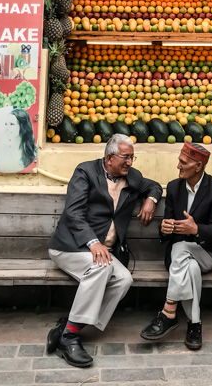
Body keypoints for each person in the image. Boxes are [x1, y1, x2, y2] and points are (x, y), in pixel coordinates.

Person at [46, 134, 162, 368]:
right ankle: (69, 339)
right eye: (125, 157)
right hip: (71, 247)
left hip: (104, 253)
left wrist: (151, 199)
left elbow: (154, 186)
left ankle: (69, 327)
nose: (130, 162)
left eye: (132, 157)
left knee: (124, 279)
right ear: (109, 158)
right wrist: (93, 242)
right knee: (102, 267)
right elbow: (74, 213)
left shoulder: (132, 177)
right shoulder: (85, 172)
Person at [140, 142, 212, 350]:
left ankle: (168, 311)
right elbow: (167, 225)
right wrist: (165, 228)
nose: (178, 166)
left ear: (198, 166)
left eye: (183, 162)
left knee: (181, 249)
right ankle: (194, 325)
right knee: (191, 267)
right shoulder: (173, 187)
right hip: (180, 256)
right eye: (179, 161)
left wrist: (195, 229)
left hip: (207, 252)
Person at [0, 106, 37, 173]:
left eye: (11, 124)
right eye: (6, 124)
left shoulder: (34, 151)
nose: (7, 128)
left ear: (23, 127)